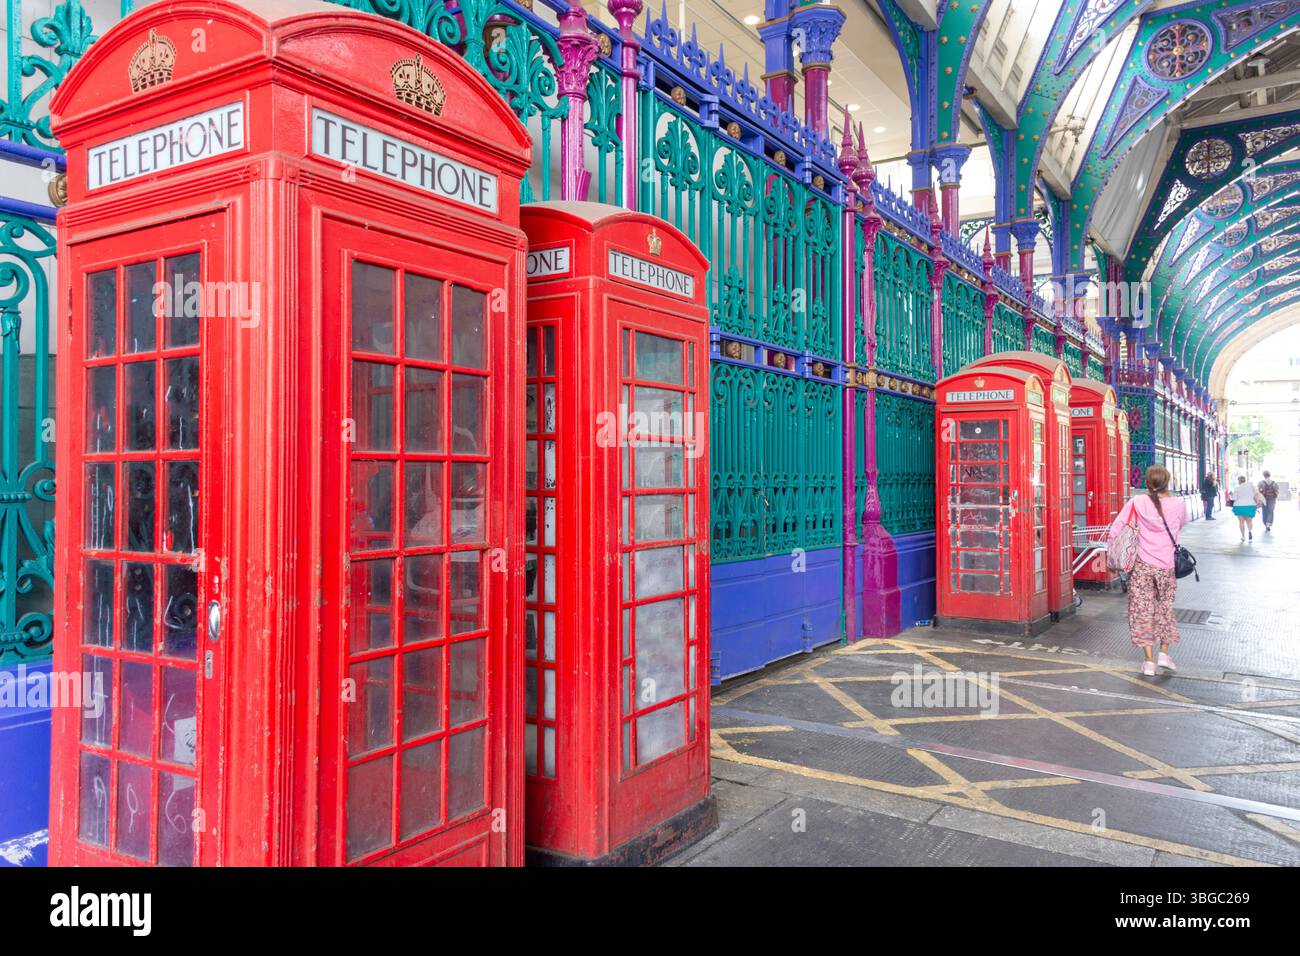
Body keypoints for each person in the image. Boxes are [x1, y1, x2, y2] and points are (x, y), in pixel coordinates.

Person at [1108, 465, 1188, 677]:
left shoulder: (1138, 502)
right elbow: (1182, 524)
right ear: (1167, 482)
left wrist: (1111, 549)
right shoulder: (1179, 503)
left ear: (1147, 482)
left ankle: (1149, 661)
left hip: (1142, 566)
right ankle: (1164, 653)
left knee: (1142, 611)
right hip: (1166, 567)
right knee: (1165, 608)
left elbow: (1117, 527)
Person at [1230, 474, 1262, 542]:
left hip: (1239, 506)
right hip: (1250, 505)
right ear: (1245, 480)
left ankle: (1243, 536)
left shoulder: (1237, 488)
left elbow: (1234, 498)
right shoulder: (1251, 487)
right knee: (1249, 521)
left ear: (1239, 481)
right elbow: (1256, 494)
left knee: (1241, 522)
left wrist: (1231, 495)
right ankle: (1250, 531)